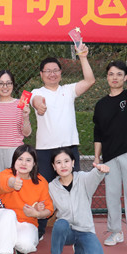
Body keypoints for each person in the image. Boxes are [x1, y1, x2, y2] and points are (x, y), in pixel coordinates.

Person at [30, 43, 95, 239]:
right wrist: (39, 106)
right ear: (41, 74)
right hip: (45, 151)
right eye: (47, 71)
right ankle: (39, 230)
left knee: (74, 190)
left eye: (55, 70)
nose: (52, 74)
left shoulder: (68, 90)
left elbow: (90, 80)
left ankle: (78, 229)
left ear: (60, 73)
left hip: (68, 149)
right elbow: (36, 101)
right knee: (43, 190)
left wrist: (82, 56)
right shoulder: (37, 92)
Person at [93, 40, 127, 254]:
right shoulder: (101, 104)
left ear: (125, 78)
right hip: (109, 158)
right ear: (106, 78)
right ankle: (115, 231)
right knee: (112, 196)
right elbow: (98, 133)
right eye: (111, 74)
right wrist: (97, 157)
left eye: (119, 74)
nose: (114, 77)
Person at [0, 145, 53, 254]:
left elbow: (49, 209)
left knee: (26, 246)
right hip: (1, 217)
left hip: (26, 221)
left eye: (28, 160)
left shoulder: (41, 182)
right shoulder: (5, 174)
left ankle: (16, 245)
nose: (24, 163)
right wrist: (14, 183)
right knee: (9, 214)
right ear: (14, 161)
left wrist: (37, 213)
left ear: (34, 163)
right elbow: (6, 182)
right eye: (20, 159)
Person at [48, 147, 108, 254]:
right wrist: (39, 209)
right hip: (66, 231)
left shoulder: (83, 179)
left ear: (73, 163)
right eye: (58, 162)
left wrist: (100, 170)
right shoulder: (51, 186)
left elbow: (94, 176)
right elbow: (48, 209)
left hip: (85, 230)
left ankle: (79, 253)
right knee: (60, 224)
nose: (63, 165)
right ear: (54, 166)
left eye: (66, 161)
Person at [0, 70, 32, 204]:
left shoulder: (21, 104)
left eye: (8, 83)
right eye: (1, 83)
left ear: (13, 85)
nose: (5, 87)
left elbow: (27, 133)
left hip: (15, 152)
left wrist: (26, 116)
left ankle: (17, 214)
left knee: (16, 186)